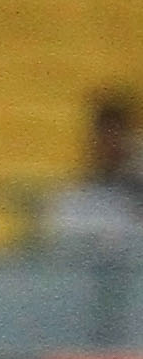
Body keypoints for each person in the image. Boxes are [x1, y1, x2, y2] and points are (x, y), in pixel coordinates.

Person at [42, 89, 143, 253]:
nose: (112, 146)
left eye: (118, 137)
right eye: (105, 138)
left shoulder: (136, 191)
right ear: (93, 141)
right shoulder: (72, 200)